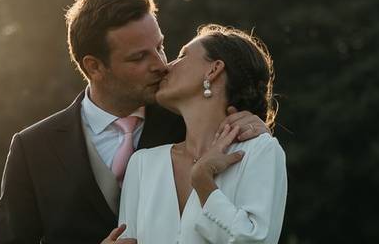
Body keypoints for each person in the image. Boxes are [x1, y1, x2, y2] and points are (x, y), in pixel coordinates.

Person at [0, 0, 269, 244]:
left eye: (159, 46)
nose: (161, 64)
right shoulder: (34, 148)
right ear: (94, 67)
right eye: (139, 57)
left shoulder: (192, 125)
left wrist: (255, 127)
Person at [116, 24, 287, 244]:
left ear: (213, 70)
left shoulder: (260, 151)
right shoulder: (142, 164)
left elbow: (255, 240)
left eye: (182, 56)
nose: (166, 67)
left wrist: (203, 181)